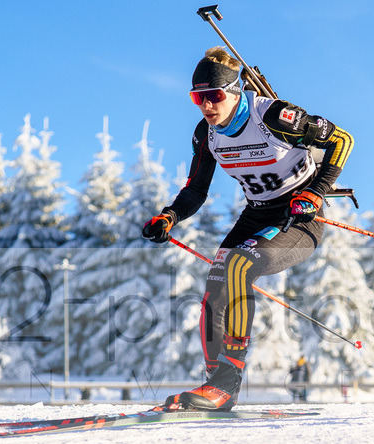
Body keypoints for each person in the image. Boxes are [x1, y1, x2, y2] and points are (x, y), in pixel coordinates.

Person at [141, 47, 354, 411]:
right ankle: (216, 387)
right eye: (198, 98)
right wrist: (170, 217)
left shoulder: (273, 117)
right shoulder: (206, 134)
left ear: (235, 91)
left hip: (298, 218)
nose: (207, 106)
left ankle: (226, 383)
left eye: (214, 95)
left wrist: (315, 193)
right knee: (216, 288)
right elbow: (196, 189)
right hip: (256, 216)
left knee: (239, 265)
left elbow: (342, 140)